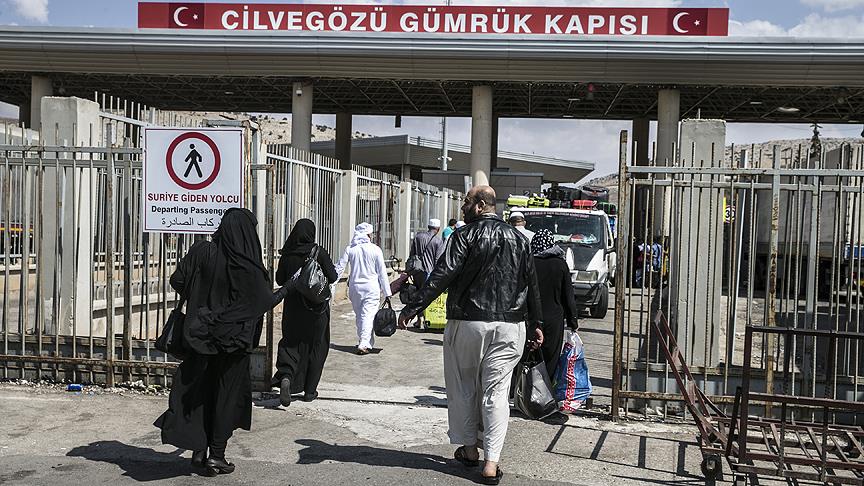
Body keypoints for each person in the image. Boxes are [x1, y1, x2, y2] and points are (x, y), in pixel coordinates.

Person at [399, 185, 544, 486]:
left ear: (479, 206)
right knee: (497, 393)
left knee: (464, 387)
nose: (462, 207)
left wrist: (413, 307)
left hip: (468, 322)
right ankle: (491, 463)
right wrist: (537, 322)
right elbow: (531, 283)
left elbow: (442, 275)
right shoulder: (519, 239)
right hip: (510, 325)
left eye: (466, 202)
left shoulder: (463, 236)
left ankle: (469, 450)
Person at [154, 208, 288, 477]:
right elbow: (263, 301)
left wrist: (202, 297)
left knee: (198, 393)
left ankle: (198, 451)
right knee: (226, 397)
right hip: (234, 344)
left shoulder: (203, 251)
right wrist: (288, 289)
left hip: (200, 338)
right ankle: (216, 455)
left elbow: (177, 280)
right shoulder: (250, 267)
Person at [271, 219, 338, 407]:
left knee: (290, 343)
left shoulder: (287, 254)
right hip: (316, 310)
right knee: (317, 346)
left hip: (293, 308)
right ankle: (309, 391)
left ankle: (286, 376)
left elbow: (280, 279)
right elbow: (333, 277)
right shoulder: (318, 252)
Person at [529, 229, 579, 380]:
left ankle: (529, 387)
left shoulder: (529, 263)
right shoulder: (560, 264)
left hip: (531, 318)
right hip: (554, 320)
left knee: (531, 356)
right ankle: (547, 388)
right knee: (551, 358)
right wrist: (573, 321)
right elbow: (568, 296)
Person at [335, 222, 392, 355]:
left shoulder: (350, 249)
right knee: (368, 316)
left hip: (355, 287)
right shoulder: (375, 249)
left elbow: (340, 267)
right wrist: (387, 292)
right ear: (368, 235)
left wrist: (332, 282)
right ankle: (364, 343)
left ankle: (366, 341)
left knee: (361, 315)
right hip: (371, 287)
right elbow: (382, 273)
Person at [406, 218, 444, 328]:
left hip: (417, 271)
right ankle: (426, 319)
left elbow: (412, 254)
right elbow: (437, 260)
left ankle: (419, 319)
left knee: (418, 295)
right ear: (438, 229)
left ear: (428, 227)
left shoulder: (418, 237)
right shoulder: (438, 241)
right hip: (429, 272)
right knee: (426, 296)